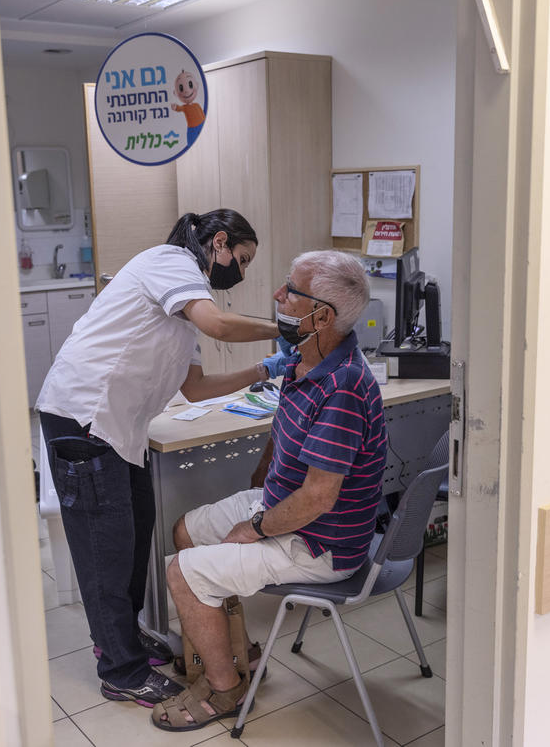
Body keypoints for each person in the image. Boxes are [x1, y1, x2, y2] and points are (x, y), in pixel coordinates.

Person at [36, 209, 277, 708]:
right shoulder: (170, 263)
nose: (243, 272)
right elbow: (218, 325)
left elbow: (195, 388)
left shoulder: (185, 305)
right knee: (106, 551)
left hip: (119, 432)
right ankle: (119, 670)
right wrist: (285, 330)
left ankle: (125, 635)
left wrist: (265, 369)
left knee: (133, 534)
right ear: (220, 242)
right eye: (243, 259)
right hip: (84, 420)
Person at [152, 250, 388, 731]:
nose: (277, 296)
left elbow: (320, 497)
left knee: (183, 572)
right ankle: (236, 653)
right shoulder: (306, 358)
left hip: (322, 541)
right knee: (185, 532)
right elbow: (282, 427)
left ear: (321, 315)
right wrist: (262, 476)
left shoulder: (342, 385)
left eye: (290, 291)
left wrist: (255, 527)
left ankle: (226, 692)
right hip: (288, 507)